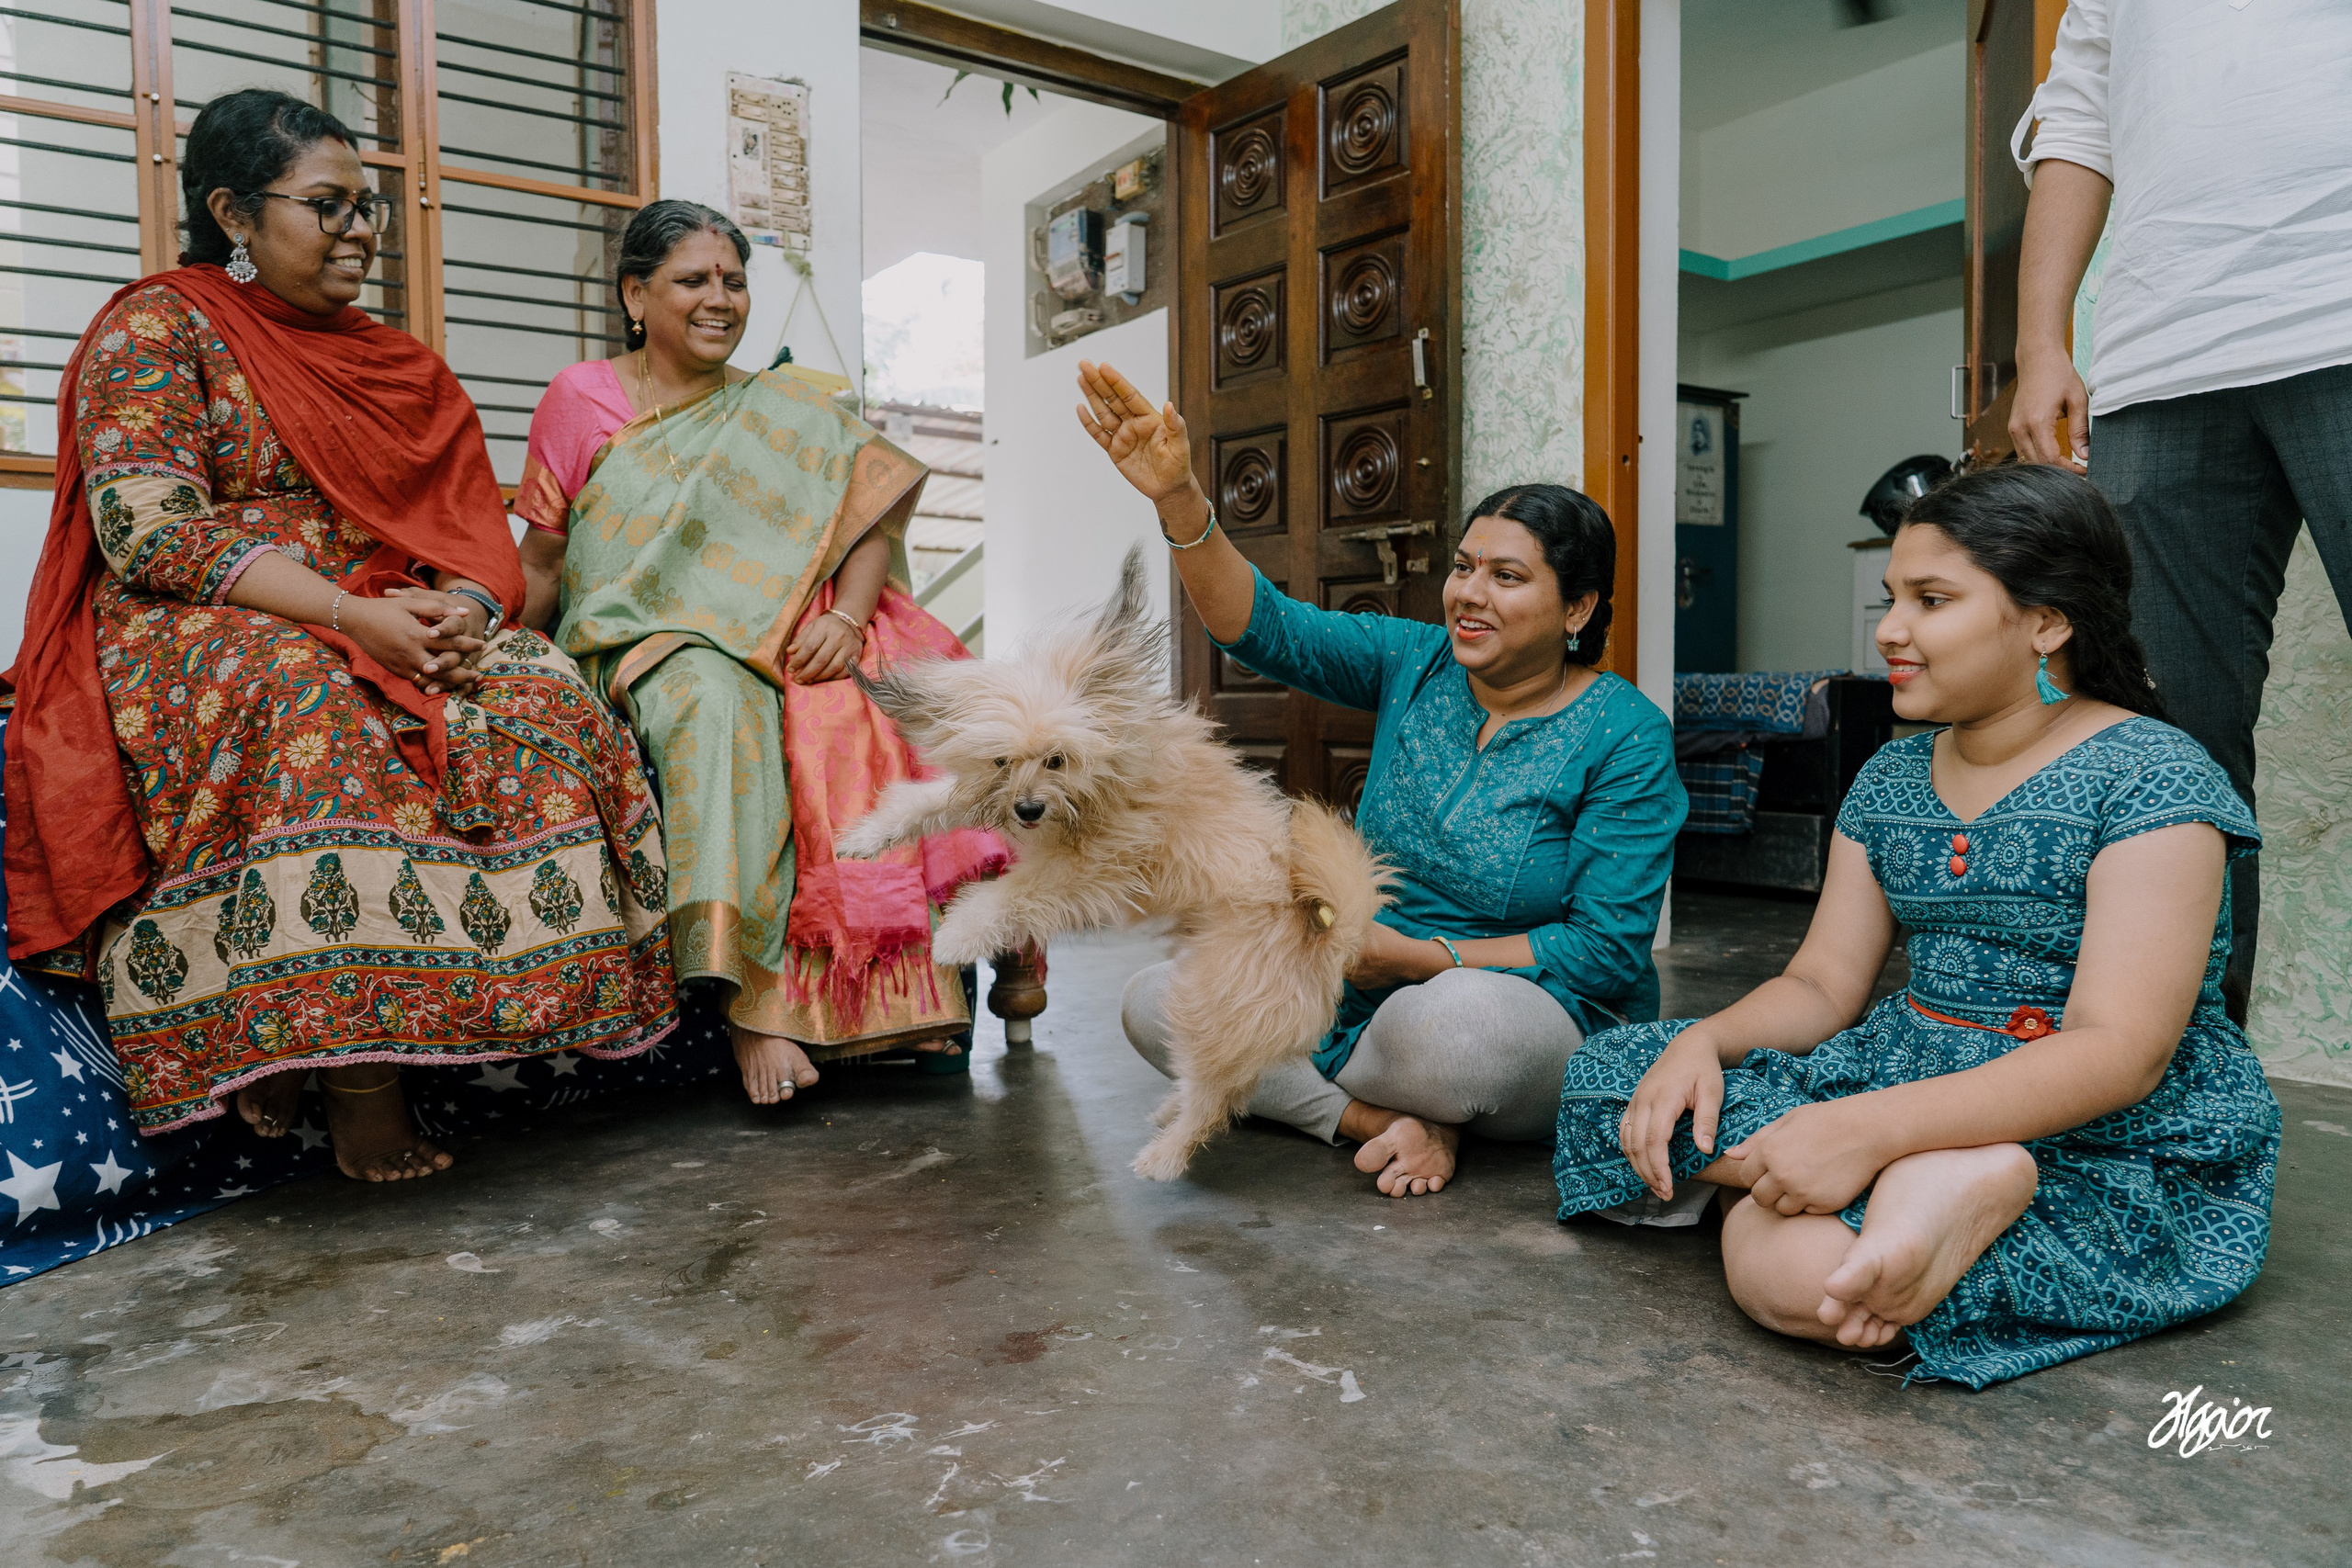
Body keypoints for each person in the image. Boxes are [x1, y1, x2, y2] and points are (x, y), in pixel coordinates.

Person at [2, 90, 677, 1180]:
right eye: (329, 205)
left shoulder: (391, 362)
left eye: (367, 207)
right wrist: (348, 615)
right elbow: (145, 529)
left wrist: (461, 611)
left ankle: (520, 1007)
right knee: (312, 696)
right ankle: (357, 1082)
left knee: (540, 685)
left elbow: (466, 527)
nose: (361, 230)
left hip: (386, 601)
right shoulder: (157, 326)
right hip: (210, 614)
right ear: (233, 211)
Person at [1553, 466, 2280, 1388]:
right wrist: (1706, 1040)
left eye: (1931, 600)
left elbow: (2118, 1052)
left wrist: (1868, 1130)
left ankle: (1889, 1188)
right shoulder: (1891, 780)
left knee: (1787, 1269)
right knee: (1605, 1077)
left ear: (2046, 622)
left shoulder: (2152, 777)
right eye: (1894, 597)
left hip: (2089, 1120)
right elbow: (1820, 987)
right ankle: (1890, 1197)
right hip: (1910, 1063)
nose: (1889, 628)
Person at [1075, 359, 1685, 1199]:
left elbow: (1604, 951)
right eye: (1465, 566)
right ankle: (1381, 1120)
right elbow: (1262, 628)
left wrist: (1414, 958)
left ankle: (1329, 1085)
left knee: (1451, 1030)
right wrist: (1177, 495)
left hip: (1519, 1010)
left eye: (1507, 577)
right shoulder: (1415, 660)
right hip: (1356, 980)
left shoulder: (1626, 735)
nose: (1469, 593)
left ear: (1577, 609)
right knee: (1160, 1001)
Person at [514, 200, 1008, 1106]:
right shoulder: (582, 396)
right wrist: (504, 650)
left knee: (894, 693)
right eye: (693, 281)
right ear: (635, 294)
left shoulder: (779, 406)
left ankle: (945, 982)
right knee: (714, 698)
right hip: (638, 637)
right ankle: (753, 1007)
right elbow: (544, 558)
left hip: (775, 628)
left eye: (733, 281)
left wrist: (850, 620)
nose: (720, 299)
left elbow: (866, 503)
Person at [2007, 0, 2352, 1017]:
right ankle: (2188, 1095)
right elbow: (2076, 126)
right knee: (2161, 744)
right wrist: (2040, 344)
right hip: (2159, 359)